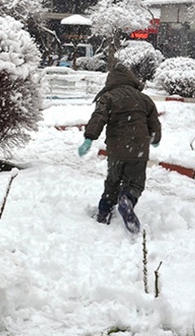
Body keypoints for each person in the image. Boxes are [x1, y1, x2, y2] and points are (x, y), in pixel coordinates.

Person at [78, 63, 162, 233]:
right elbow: (154, 123)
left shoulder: (108, 97)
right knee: (135, 181)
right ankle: (127, 200)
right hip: (139, 149)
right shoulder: (144, 99)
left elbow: (98, 117)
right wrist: (155, 138)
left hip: (116, 149)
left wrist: (89, 138)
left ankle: (104, 211)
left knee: (113, 181)